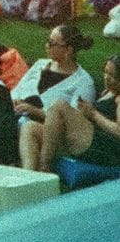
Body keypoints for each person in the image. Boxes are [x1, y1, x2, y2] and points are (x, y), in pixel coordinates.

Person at [16, 23, 99, 170]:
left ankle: (30, 176)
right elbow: (17, 90)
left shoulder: (84, 82)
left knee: (27, 127)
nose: (46, 45)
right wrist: (14, 101)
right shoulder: (41, 64)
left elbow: (72, 121)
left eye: (52, 43)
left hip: (54, 133)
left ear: (68, 50)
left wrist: (33, 110)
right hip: (18, 114)